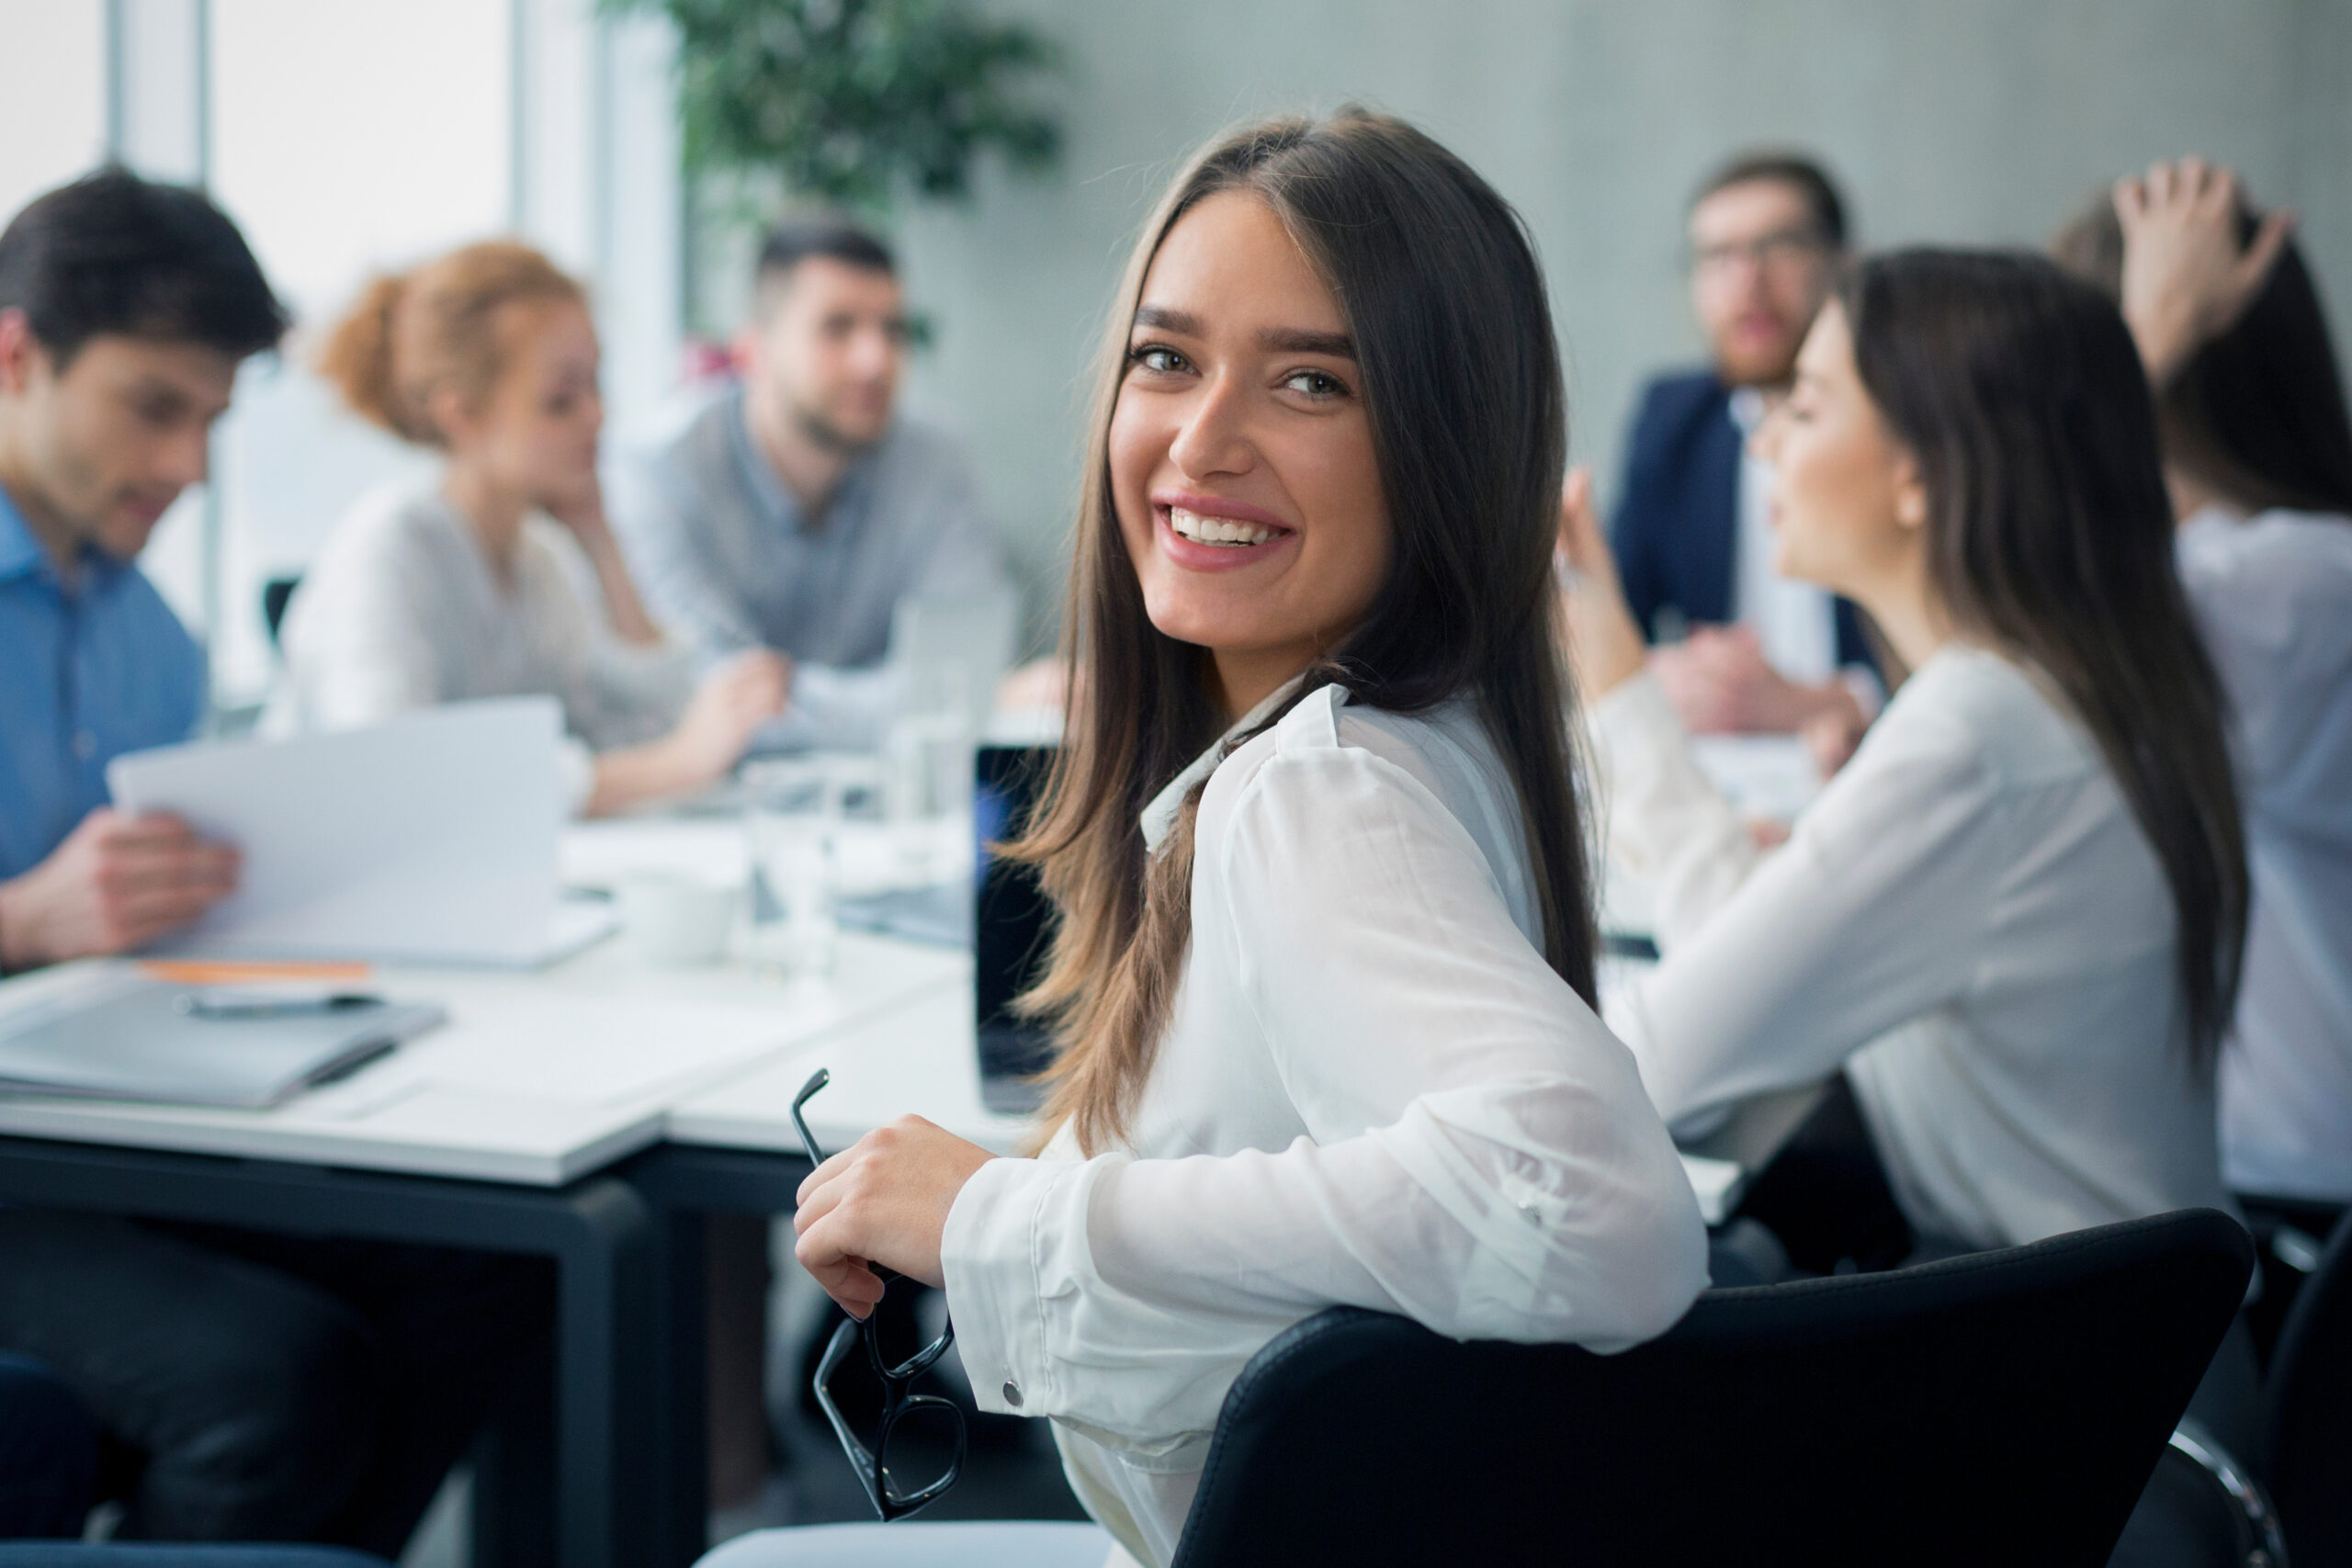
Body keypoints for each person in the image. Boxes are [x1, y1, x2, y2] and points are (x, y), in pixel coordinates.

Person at [709, 111, 1710, 1568]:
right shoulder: (1423, 743)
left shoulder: (1314, 790)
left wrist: (1009, 1220)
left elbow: (1598, 1204)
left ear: (1445, 442)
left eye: (1311, 380)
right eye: (1166, 360)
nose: (1201, 438)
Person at [0, 169, 548, 1554]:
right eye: (152, 407)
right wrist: (25, 917)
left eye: (211, 419)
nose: (189, 465)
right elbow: (53, 924)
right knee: (270, 1376)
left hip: (103, 1132)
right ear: (16, 355)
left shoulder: (149, 635)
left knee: (494, 1264)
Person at [1558, 247, 2248, 1278]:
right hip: (2137, 1349)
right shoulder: (2069, 686)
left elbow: (1639, 1070)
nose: (1765, 450)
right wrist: (1618, 682)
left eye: (1806, 407)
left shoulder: (1976, 737)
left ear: (1919, 473)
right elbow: (1770, 964)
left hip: (2071, 1389)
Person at [2052, 162, 2352, 1221]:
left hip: (2279, 1169)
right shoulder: (2265, 572)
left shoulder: (2277, 585)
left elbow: (2024, 550)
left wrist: (2149, 329)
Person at [276, 240, 786, 816]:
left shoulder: (535, 558)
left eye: (597, 386)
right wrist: (677, 762)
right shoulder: (388, 550)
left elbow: (650, 730)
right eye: (561, 398)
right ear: (462, 414)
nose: (597, 417)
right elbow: (394, 781)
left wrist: (601, 541)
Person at [609, 218, 1011, 750]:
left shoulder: (938, 458)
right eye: (837, 328)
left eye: (892, 331)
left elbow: (965, 675)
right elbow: (693, 699)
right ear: (752, 349)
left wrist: (787, 698)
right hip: (698, 818)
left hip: (894, 811)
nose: (876, 360)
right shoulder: (658, 470)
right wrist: (909, 704)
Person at [1611, 152, 1880, 766]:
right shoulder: (1672, 419)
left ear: (1842, 264)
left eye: (1779, 246)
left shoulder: (1906, 420)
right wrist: (1669, 675)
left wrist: (1835, 701)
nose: (1747, 281)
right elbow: (1617, 618)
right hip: (1727, 771)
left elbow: (1962, 648)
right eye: (1717, 256)